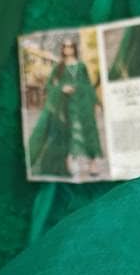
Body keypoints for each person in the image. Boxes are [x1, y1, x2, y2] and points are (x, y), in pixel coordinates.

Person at [28, 39, 103, 178]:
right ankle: (71, 160)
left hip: (83, 103)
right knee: (70, 132)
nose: (68, 49)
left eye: (70, 46)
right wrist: (62, 88)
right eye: (65, 47)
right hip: (66, 105)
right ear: (62, 49)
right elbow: (49, 85)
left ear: (74, 48)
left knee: (88, 131)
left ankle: (93, 163)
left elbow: (88, 85)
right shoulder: (59, 67)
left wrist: (97, 102)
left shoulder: (81, 66)